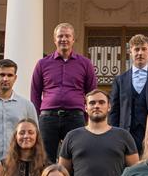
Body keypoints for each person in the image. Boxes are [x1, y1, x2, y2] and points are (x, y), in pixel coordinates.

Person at [58, 88, 139, 176]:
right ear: (85, 107)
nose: (96, 106)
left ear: (109, 107)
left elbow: (135, 174)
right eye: (92, 103)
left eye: (101, 102)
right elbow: (62, 174)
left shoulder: (123, 136)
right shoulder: (72, 136)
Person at [31, 22, 98, 164]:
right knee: (45, 160)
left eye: (67, 36)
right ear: (54, 40)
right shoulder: (42, 64)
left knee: (77, 157)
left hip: (75, 117)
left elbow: (91, 93)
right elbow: (35, 93)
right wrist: (37, 118)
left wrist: (86, 118)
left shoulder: (85, 64)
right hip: (48, 118)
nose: (64, 39)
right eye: (60, 36)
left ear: (73, 39)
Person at [113, 33, 148, 146]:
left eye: (143, 49)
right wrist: (113, 135)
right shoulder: (119, 80)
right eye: (136, 49)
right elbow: (114, 111)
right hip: (126, 133)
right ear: (130, 52)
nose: (140, 53)